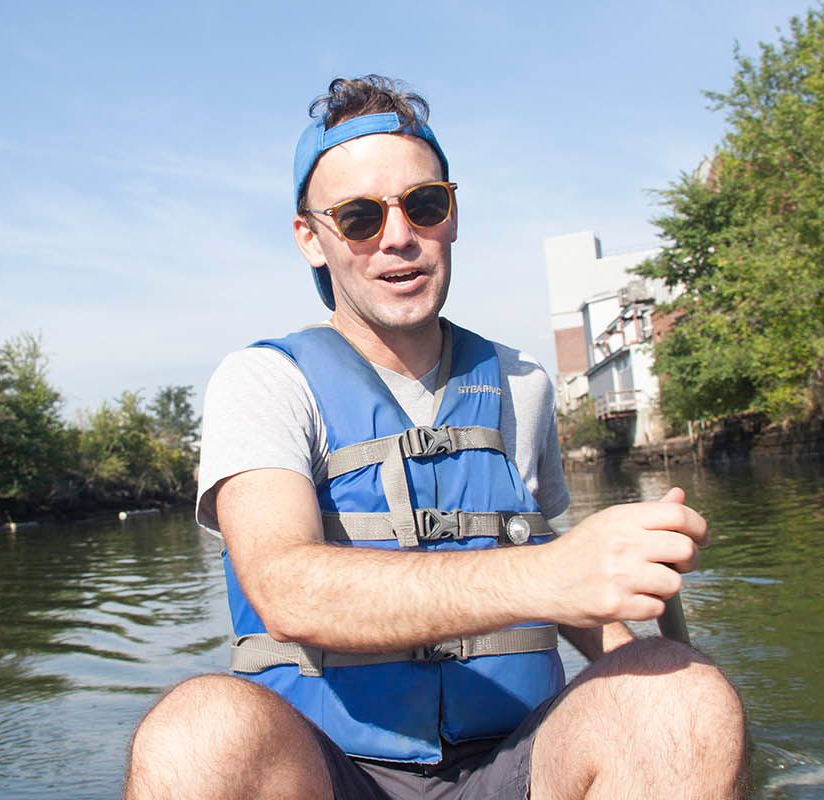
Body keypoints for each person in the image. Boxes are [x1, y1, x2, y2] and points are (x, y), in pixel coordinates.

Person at [125, 75, 747, 800]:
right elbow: (284, 588)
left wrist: (657, 662)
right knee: (196, 731)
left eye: (424, 205)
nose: (398, 237)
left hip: (512, 764)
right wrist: (554, 576)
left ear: (452, 214)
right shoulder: (263, 383)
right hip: (329, 774)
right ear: (311, 240)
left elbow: (551, 565)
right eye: (358, 217)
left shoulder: (522, 386)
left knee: (685, 704)